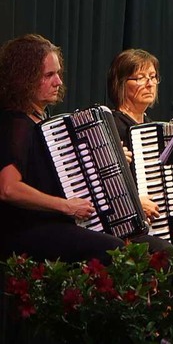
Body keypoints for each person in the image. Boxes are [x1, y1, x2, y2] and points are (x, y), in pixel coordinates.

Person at [0, 34, 124, 265]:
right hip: (25, 230)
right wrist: (65, 206)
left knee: (124, 237)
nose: (58, 82)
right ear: (23, 79)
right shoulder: (16, 124)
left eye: (58, 73)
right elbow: (8, 188)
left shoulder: (42, 123)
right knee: (113, 249)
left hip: (51, 223)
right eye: (49, 75)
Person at [106, 49, 173, 255]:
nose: (150, 83)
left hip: (159, 223)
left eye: (153, 77)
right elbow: (102, 186)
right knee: (166, 252)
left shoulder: (154, 129)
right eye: (140, 78)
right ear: (121, 84)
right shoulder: (110, 126)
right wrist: (135, 202)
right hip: (124, 226)